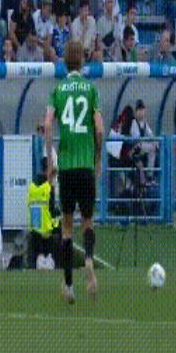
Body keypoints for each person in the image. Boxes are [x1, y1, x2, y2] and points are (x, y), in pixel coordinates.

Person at [44, 40, 104, 303]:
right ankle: (88, 259)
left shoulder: (57, 90)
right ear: (82, 61)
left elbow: (47, 125)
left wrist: (51, 161)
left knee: (67, 227)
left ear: (64, 62)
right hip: (86, 165)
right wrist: (97, 157)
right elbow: (99, 129)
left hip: (66, 167)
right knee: (88, 222)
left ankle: (68, 284)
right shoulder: (91, 90)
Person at [130, 99, 158, 184]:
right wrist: (149, 142)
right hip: (135, 148)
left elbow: (151, 135)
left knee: (154, 147)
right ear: (136, 112)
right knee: (151, 148)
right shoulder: (134, 122)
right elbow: (136, 138)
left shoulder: (144, 123)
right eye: (139, 110)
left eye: (142, 110)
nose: (141, 112)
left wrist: (155, 143)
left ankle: (150, 175)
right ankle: (149, 175)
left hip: (142, 147)